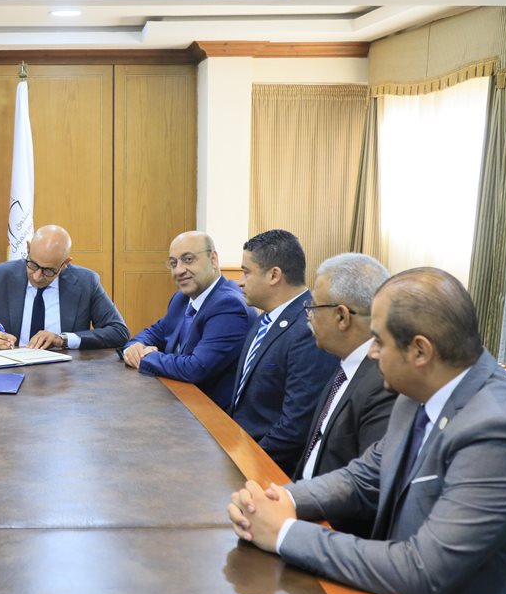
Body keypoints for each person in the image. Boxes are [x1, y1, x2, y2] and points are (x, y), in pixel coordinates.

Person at [227, 268, 506, 594]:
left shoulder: (500, 430)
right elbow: (365, 476)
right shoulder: (422, 390)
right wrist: (280, 499)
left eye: (379, 340)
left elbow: (422, 571)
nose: (371, 351)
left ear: (420, 351)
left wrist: (284, 533)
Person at [295, 253, 396, 535]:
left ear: (341, 316)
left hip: (331, 533)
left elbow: (369, 489)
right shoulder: (346, 365)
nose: (309, 317)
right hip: (304, 508)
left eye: (313, 307)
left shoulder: (383, 382)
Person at [227, 229, 338, 475]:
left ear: (274, 275)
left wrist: (244, 461)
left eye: (246, 272)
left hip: (269, 468)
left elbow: (295, 426)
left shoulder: (308, 329)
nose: (240, 281)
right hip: (241, 449)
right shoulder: (265, 318)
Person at [122, 231, 254, 409]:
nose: (178, 270)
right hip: (178, 401)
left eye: (188, 259)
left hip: (210, 414)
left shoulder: (229, 305)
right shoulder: (182, 298)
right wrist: (134, 348)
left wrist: (146, 357)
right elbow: (155, 332)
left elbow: (196, 368)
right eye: (173, 263)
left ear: (213, 259)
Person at [0, 224, 129, 350]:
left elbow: (119, 331)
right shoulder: (1, 276)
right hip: (12, 370)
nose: (37, 276)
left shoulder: (86, 282)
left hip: (66, 376)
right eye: (33, 265)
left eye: (48, 270)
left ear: (65, 263)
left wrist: (63, 340)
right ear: (28, 249)